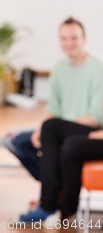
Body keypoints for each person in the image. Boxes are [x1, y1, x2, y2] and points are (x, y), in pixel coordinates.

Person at [14, 17, 103, 223]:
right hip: (62, 129)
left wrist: (53, 130)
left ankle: (48, 202)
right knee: (20, 140)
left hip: (90, 128)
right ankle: (58, 194)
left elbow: (97, 115)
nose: (69, 43)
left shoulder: (98, 67)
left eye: (74, 38)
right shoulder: (60, 68)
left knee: (53, 130)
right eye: (64, 38)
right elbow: (53, 108)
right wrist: (42, 131)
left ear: (84, 39)